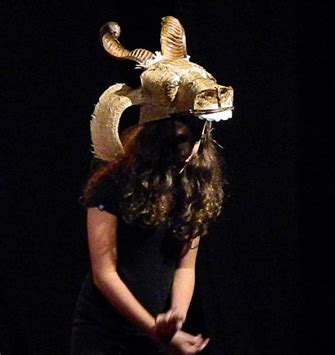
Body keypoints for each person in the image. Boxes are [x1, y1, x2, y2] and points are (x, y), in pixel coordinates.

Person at [70, 16, 234, 354]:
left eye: (199, 139)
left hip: (157, 335)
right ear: (160, 136)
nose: (190, 151)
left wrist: (176, 316)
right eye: (181, 139)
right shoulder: (114, 182)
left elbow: (185, 266)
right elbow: (104, 272)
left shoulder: (193, 183)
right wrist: (155, 329)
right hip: (105, 334)